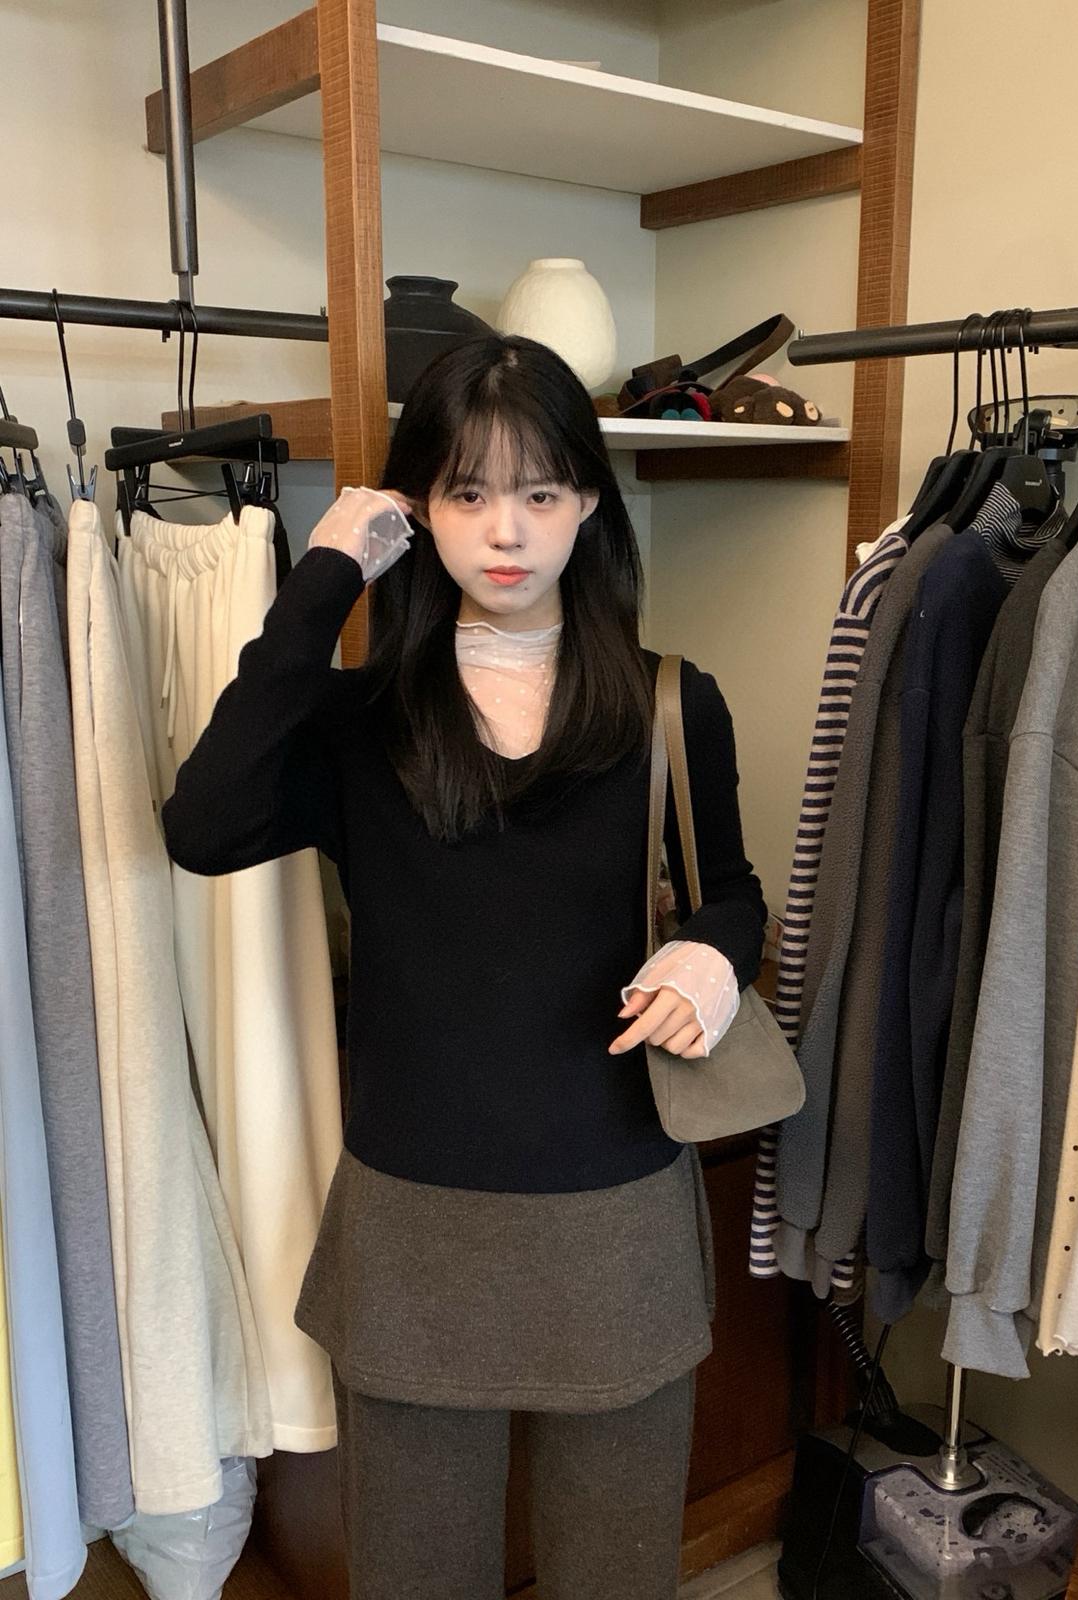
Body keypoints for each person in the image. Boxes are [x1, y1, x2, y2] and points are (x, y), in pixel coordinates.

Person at [162, 333, 767, 1600]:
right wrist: (325, 577)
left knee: (615, 1577)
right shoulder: (360, 720)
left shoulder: (670, 703)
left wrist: (711, 959)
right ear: (417, 507)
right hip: (414, 1225)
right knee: (416, 1574)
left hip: (615, 1212)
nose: (506, 530)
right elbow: (203, 826)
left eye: (540, 491)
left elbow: (734, 897)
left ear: (589, 500)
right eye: (468, 492)